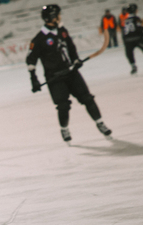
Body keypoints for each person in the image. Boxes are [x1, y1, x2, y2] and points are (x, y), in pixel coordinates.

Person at [26, 4, 112, 143]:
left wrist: (76, 60)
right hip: (55, 78)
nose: (60, 17)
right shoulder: (39, 39)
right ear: (52, 17)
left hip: (71, 72)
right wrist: (33, 78)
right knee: (63, 106)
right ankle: (64, 129)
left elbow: (71, 48)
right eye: (58, 15)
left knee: (87, 98)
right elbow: (31, 60)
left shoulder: (62, 31)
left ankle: (100, 123)